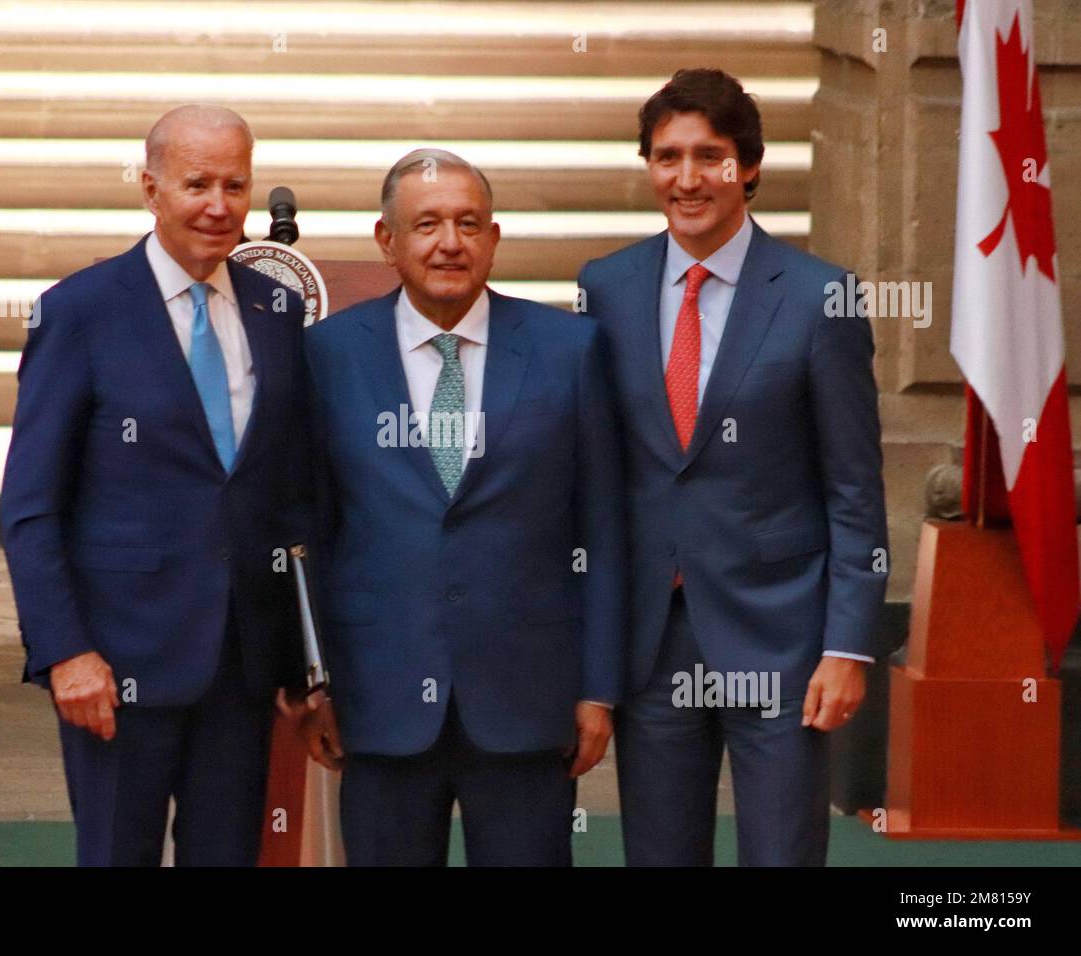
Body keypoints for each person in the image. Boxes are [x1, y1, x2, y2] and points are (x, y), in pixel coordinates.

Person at [578, 69, 888, 866]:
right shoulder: (603, 289)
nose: (688, 179)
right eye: (668, 156)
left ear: (748, 166)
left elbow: (853, 487)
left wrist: (848, 647)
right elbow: (594, 474)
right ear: (648, 165)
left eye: (709, 157)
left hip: (783, 638)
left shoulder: (823, 298)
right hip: (653, 638)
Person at [0, 105, 307, 866]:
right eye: (196, 183)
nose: (218, 205)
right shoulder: (80, 312)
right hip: (115, 669)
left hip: (241, 670)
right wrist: (64, 651)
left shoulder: (277, 309)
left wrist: (307, 656)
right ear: (149, 187)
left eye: (236, 185)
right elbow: (32, 505)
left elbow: (288, 493)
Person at [300, 149, 626, 866]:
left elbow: (603, 531)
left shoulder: (570, 350)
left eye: (468, 223)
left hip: (527, 702)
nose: (450, 242)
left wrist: (599, 689)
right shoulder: (327, 356)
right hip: (376, 700)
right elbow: (310, 534)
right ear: (387, 240)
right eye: (426, 225)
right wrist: (313, 680)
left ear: (494, 237)